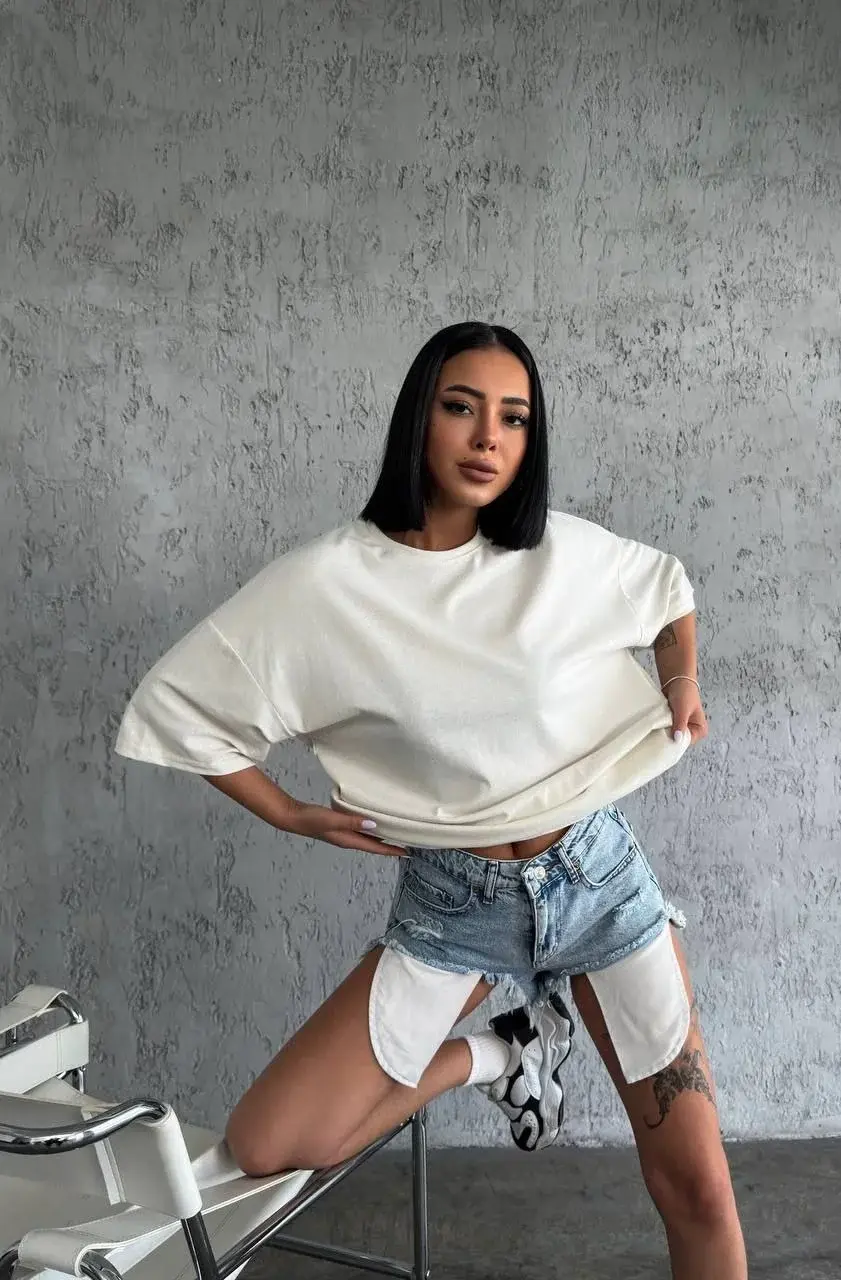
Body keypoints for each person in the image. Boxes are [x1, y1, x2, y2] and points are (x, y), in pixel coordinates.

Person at [115, 321, 748, 1278]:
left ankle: (519, 1042)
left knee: (695, 1189)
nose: (488, 438)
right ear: (421, 416)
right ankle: (503, 1053)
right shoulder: (329, 584)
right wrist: (289, 812)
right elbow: (181, 706)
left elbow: (668, 593)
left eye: (514, 419)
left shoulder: (559, 554)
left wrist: (681, 681)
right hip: (456, 905)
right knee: (272, 1142)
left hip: (598, 883)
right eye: (462, 407)